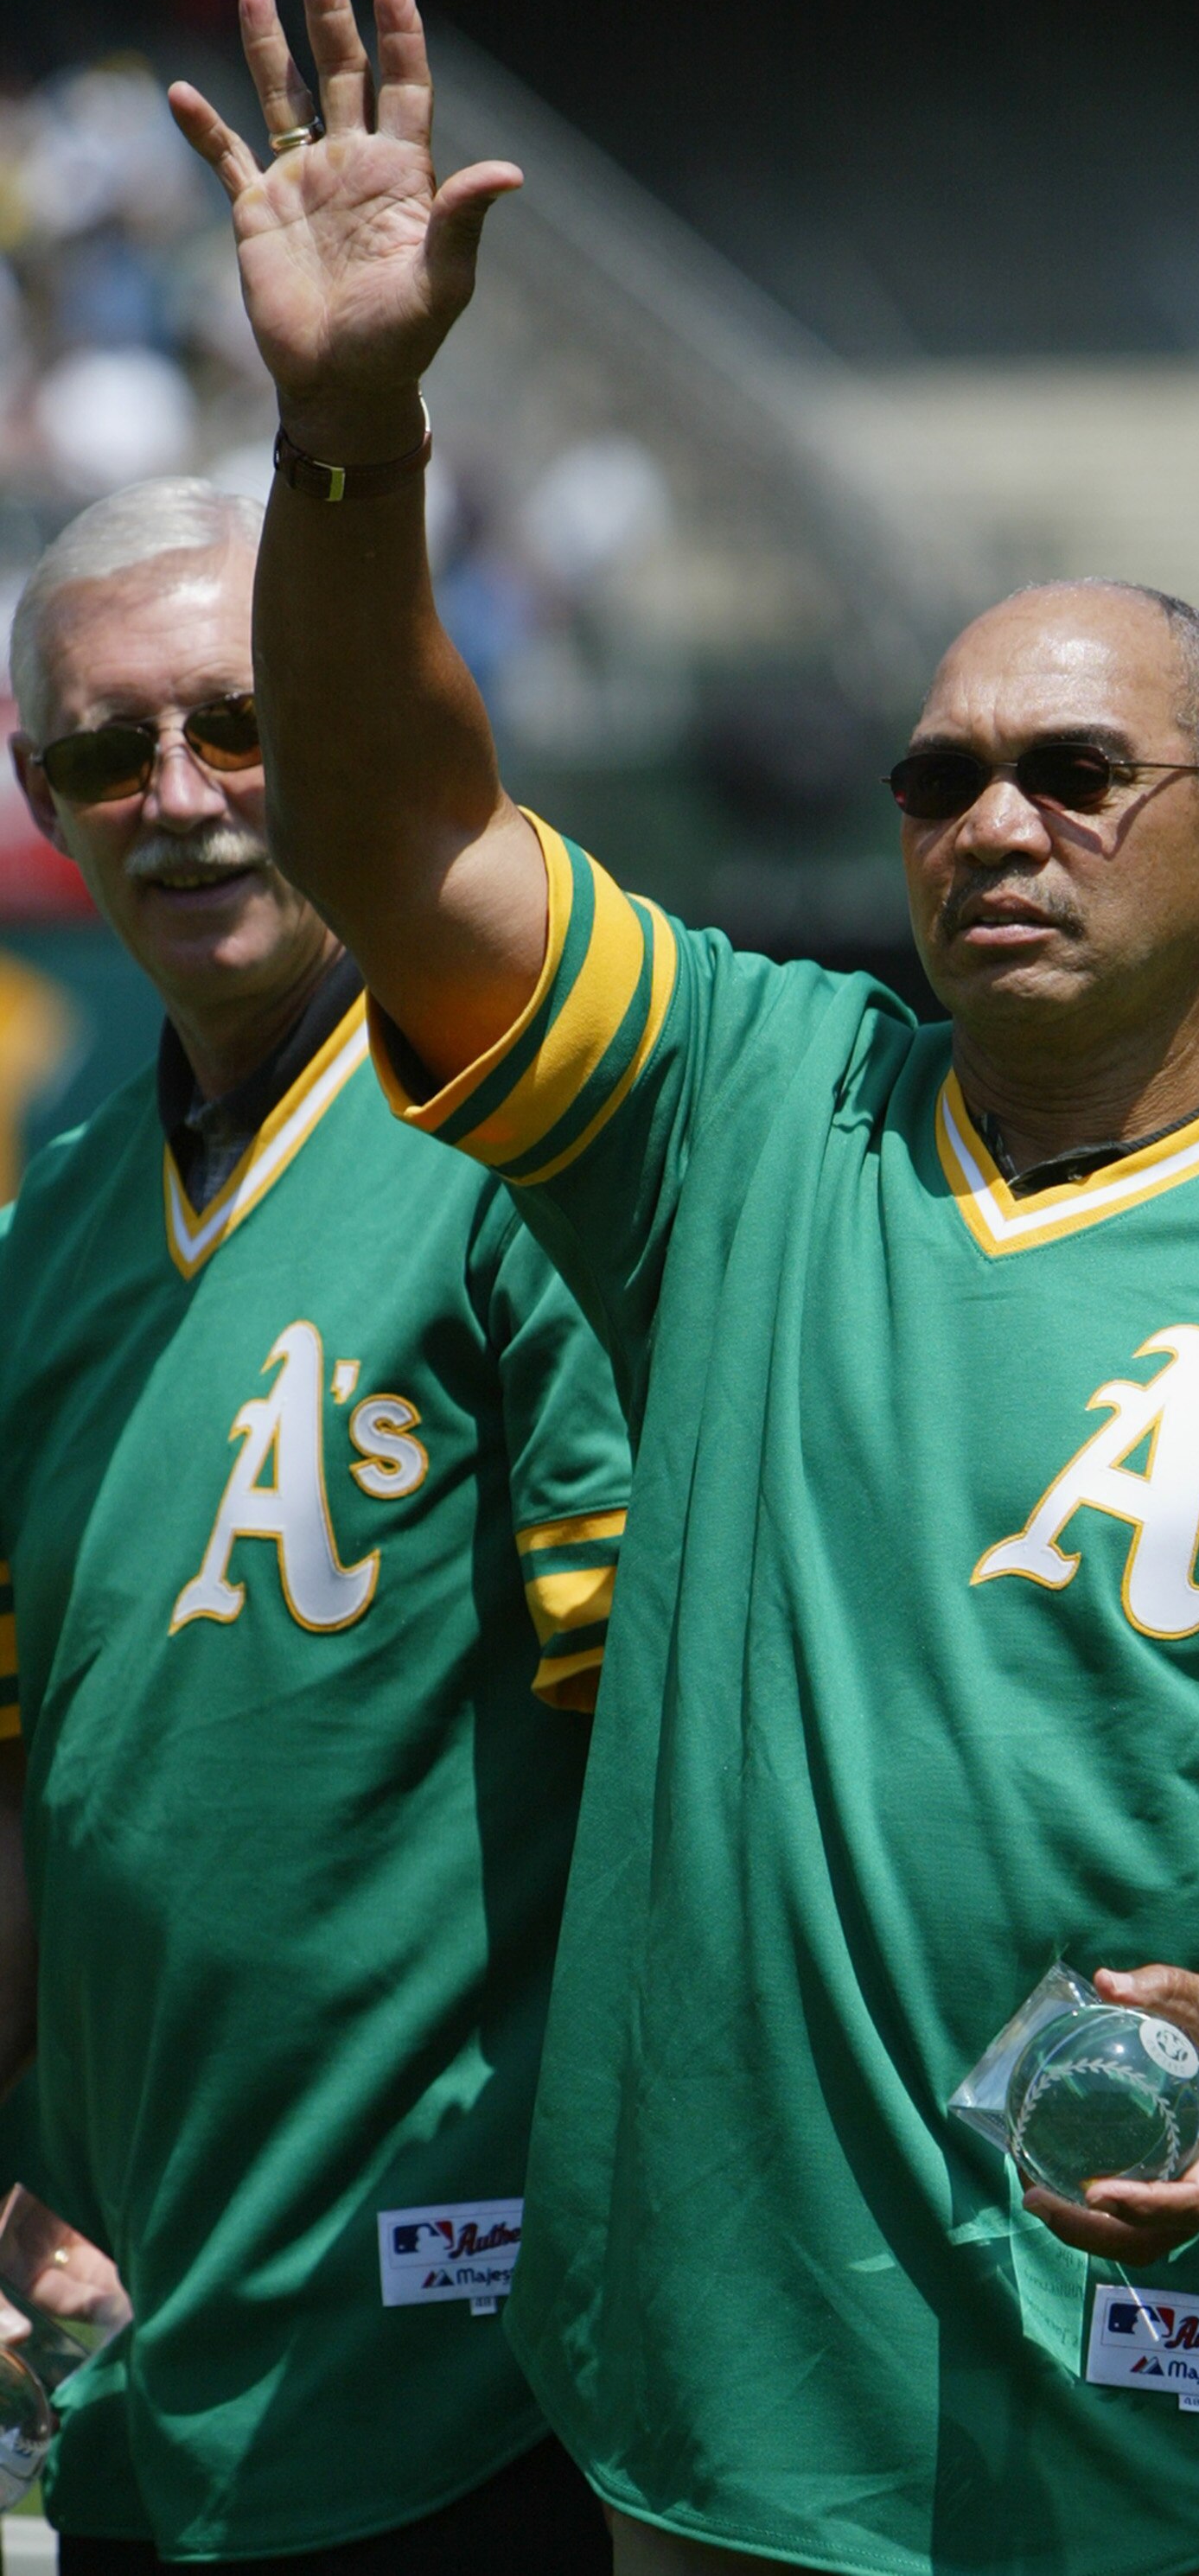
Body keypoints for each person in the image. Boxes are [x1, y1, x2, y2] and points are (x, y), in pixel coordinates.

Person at [172, 0, 1199, 2576]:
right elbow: (393, 827)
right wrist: (349, 433)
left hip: (1198, 2464)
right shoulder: (744, 1108)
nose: (990, 821)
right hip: (722, 2459)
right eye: (938, 778)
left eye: (1073, 771)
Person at [0, 475, 628, 2572]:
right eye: (109, 751)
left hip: (485, 2373)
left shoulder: (533, 1146)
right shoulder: (46, 1236)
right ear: (42, 795)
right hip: (142, 2366)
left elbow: (675, 1751)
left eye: (241, 724)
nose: (179, 798)